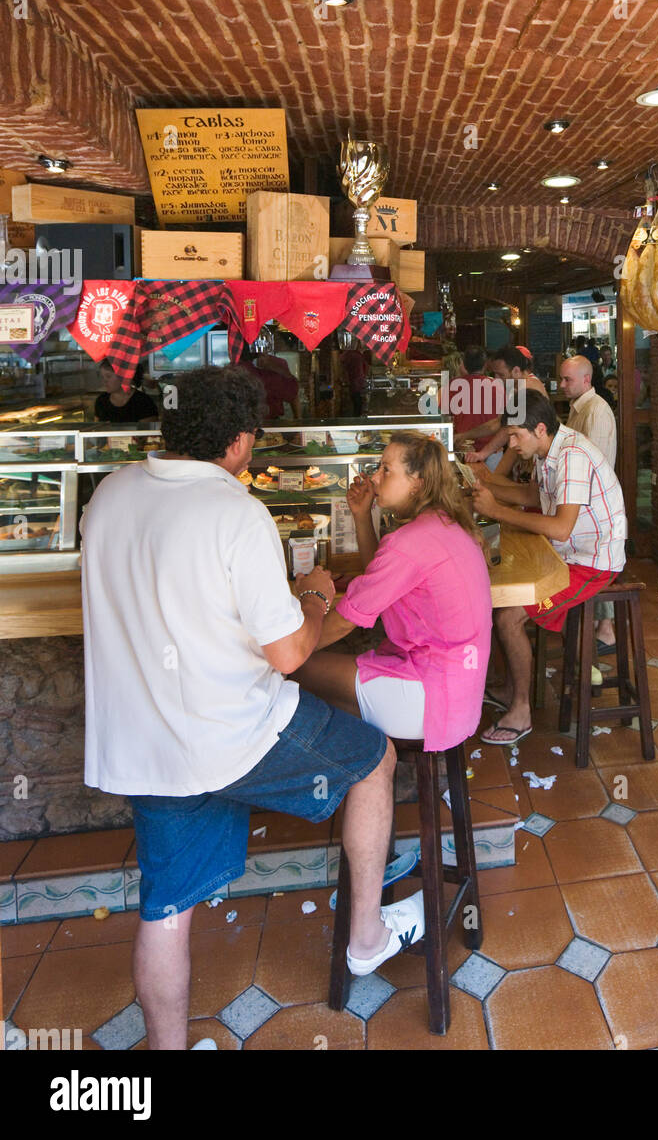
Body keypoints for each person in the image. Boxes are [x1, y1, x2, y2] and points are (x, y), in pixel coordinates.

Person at [80, 366, 420, 1050]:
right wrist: (317, 596)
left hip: (145, 744)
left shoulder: (109, 496)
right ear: (239, 440)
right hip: (235, 733)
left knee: (166, 910)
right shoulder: (236, 512)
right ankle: (365, 937)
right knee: (372, 757)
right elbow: (290, 653)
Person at [293, 432, 492, 747]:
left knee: (296, 669)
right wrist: (362, 516)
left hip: (427, 700)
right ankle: (364, 759)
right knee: (319, 661)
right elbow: (382, 585)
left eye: (387, 469)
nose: (375, 477)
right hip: (459, 695)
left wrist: (294, 642)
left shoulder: (410, 542)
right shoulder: (447, 525)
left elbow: (347, 620)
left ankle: (348, 763)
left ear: (417, 482)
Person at [471, 391, 626, 746]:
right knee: (499, 592)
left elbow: (559, 528)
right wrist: (485, 488)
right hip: (567, 554)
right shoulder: (550, 451)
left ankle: (522, 710)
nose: (510, 444)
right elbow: (532, 498)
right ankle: (511, 688)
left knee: (509, 615)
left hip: (592, 562)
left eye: (515, 436)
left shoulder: (572, 456)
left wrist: (495, 510)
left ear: (540, 429)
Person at [558, 355, 619, 651]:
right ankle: (591, 626)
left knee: (592, 562)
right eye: (561, 378)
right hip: (584, 504)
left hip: (594, 506)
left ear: (586, 380)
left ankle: (604, 629)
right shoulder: (578, 408)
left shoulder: (596, 411)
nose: (561, 385)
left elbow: (589, 465)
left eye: (567, 380)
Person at [464, 345, 548, 466]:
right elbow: (499, 422)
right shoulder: (514, 388)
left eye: (501, 375)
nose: (496, 379)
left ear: (516, 371)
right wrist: (465, 435)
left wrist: (482, 454)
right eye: (495, 374)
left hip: (540, 457)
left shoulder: (528, 387)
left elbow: (505, 428)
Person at [450, 345, 504, 447]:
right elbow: (503, 419)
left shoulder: (453, 386)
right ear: (485, 365)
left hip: (463, 445)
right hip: (492, 447)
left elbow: (443, 417)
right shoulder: (497, 385)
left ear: (464, 365)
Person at [237, 342, 301, 423]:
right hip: (255, 423)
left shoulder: (276, 364)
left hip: (263, 423)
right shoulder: (240, 369)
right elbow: (293, 392)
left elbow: (293, 392)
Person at [94, 362, 159, 423]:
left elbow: (149, 432)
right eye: (102, 377)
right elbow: (97, 430)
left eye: (108, 376)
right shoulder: (101, 401)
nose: (104, 381)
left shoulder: (143, 401)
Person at [340, 344, 370, 416]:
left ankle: (355, 417)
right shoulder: (359, 356)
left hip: (353, 382)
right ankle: (357, 417)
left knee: (355, 401)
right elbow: (366, 368)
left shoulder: (348, 355)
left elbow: (344, 368)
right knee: (358, 402)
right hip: (359, 381)